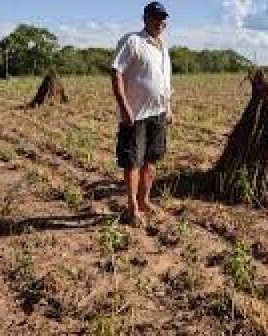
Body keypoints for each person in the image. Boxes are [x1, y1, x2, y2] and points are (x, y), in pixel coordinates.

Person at [110, 1, 173, 226]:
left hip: (158, 113)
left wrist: (168, 107)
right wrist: (124, 106)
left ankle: (144, 201)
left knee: (151, 160)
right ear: (145, 18)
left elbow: (165, 81)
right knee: (133, 162)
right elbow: (116, 72)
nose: (160, 22)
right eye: (156, 17)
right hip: (135, 114)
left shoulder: (163, 47)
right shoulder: (133, 41)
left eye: (163, 18)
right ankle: (132, 208)